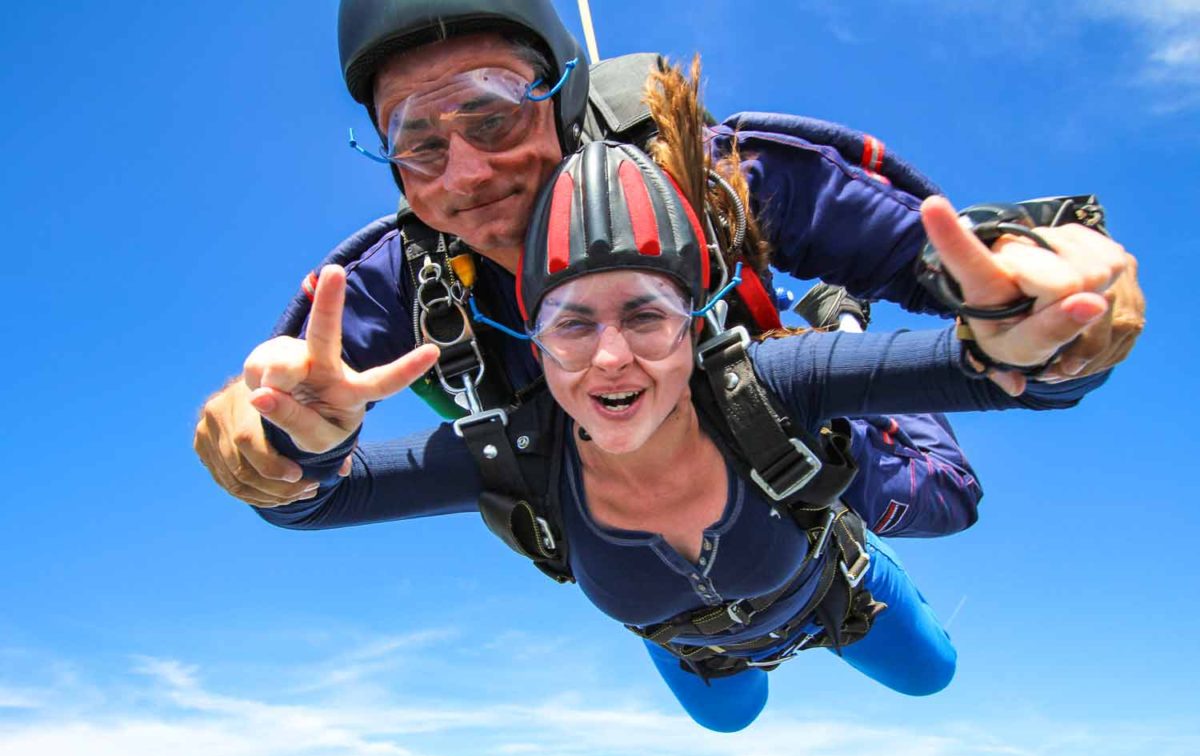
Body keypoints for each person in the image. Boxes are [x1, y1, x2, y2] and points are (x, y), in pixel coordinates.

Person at [241, 105, 1126, 730]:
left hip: (834, 597)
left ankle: (839, 322)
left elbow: (1000, 376)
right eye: (572, 324)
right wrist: (299, 445)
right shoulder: (511, 451)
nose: (612, 357)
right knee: (728, 722)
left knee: (935, 652)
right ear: (533, 343)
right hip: (695, 649)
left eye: (647, 316)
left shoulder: (772, 383)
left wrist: (1048, 339)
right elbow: (308, 502)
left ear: (696, 319)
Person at [193, 0, 1144, 509]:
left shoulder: (710, 172)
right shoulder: (395, 281)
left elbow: (941, 254)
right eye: (418, 141)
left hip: (783, 422)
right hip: (630, 505)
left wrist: (1043, 316)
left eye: (493, 111)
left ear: (563, 98)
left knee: (946, 502)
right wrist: (271, 442)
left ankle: (832, 334)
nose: (467, 170)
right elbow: (299, 403)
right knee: (707, 680)